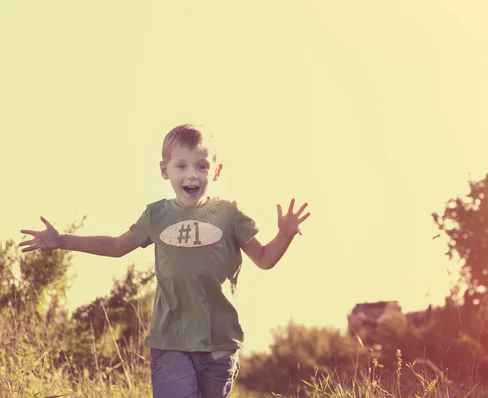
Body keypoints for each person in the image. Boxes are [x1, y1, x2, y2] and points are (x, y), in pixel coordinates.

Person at [19, 124, 310, 397]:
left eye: (201, 166)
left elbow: (264, 259)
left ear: (217, 171)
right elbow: (116, 246)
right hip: (170, 342)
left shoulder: (230, 215)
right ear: (164, 170)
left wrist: (284, 235)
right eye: (181, 166)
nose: (192, 175)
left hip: (220, 345)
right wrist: (62, 241)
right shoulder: (156, 216)